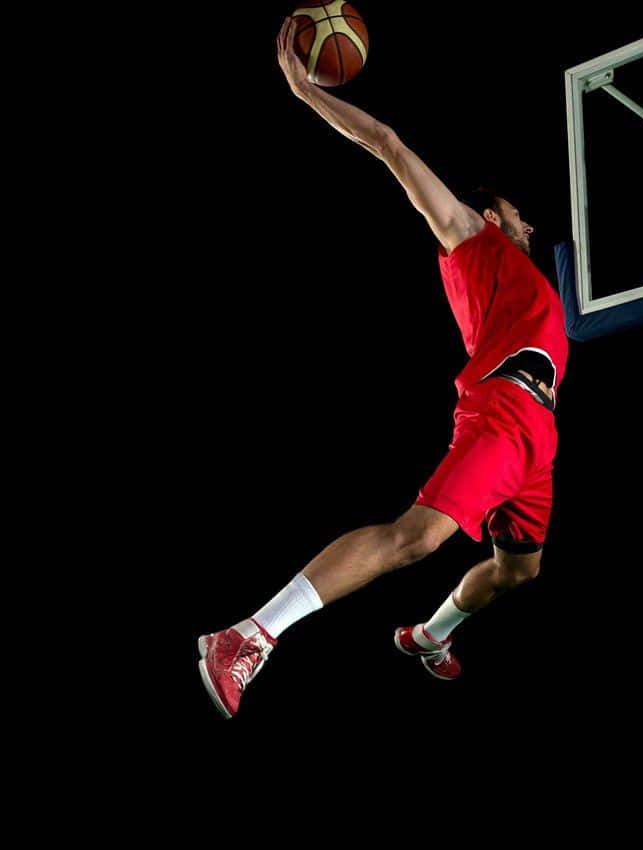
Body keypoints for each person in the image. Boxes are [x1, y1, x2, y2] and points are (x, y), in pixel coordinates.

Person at [196, 16, 571, 719]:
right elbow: (389, 145)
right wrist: (309, 93)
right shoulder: (473, 239)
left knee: (520, 569)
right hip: (503, 412)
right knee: (416, 537)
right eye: (518, 216)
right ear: (489, 217)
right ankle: (247, 635)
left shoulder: (521, 283)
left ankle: (430, 635)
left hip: (536, 438)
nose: (529, 226)